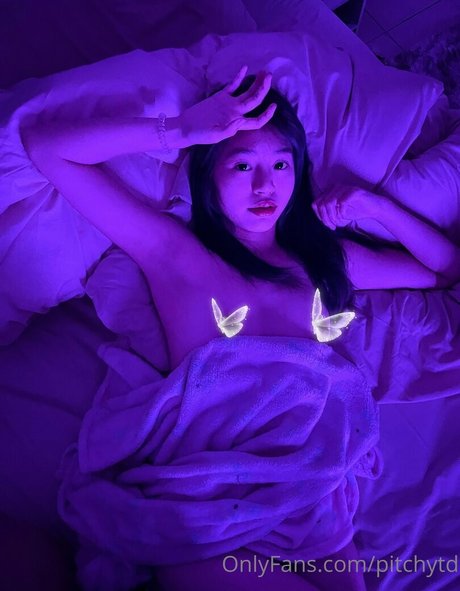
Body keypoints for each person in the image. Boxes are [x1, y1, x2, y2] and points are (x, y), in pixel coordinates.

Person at [20, 65, 460, 591]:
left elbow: (445, 272)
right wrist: (182, 129)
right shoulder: (178, 254)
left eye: (281, 163)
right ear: (208, 173)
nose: (265, 184)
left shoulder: (325, 261)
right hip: (210, 510)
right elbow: (48, 148)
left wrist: (374, 206)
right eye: (242, 163)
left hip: (310, 502)